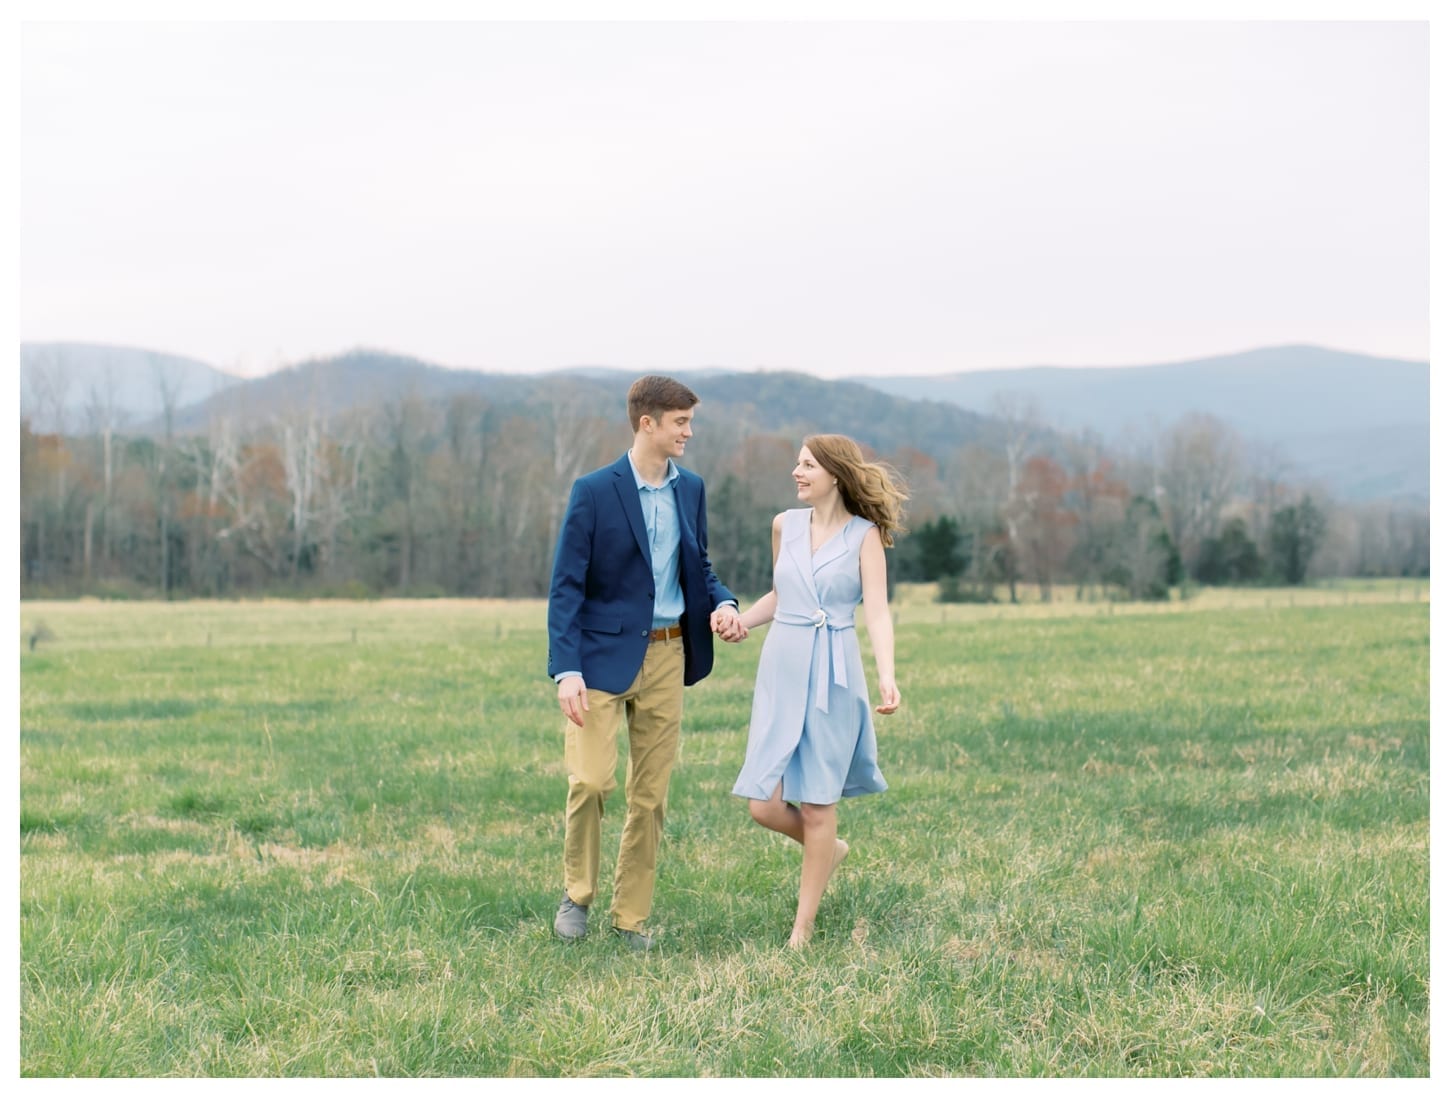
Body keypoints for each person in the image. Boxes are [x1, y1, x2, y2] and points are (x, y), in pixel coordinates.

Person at [547, 375, 745, 951]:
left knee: (651, 796)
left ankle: (629, 918)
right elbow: (565, 587)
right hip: (600, 658)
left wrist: (725, 602)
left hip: (668, 653)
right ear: (647, 424)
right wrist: (568, 668)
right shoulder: (593, 490)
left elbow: (698, 565)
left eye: (690, 421)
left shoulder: (692, 489)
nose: (689, 432)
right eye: (681, 422)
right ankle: (576, 895)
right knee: (590, 780)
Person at [731, 433, 907, 948]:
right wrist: (744, 622)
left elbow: (876, 609)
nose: (796, 472)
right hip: (782, 666)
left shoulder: (864, 536)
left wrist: (888, 674)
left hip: (834, 672)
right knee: (763, 804)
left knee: (817, 806)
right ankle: (826, 849)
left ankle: (801, 931)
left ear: (834, 473)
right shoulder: (784, 525)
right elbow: (784, 591)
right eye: (797, 464)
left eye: (807, 465)